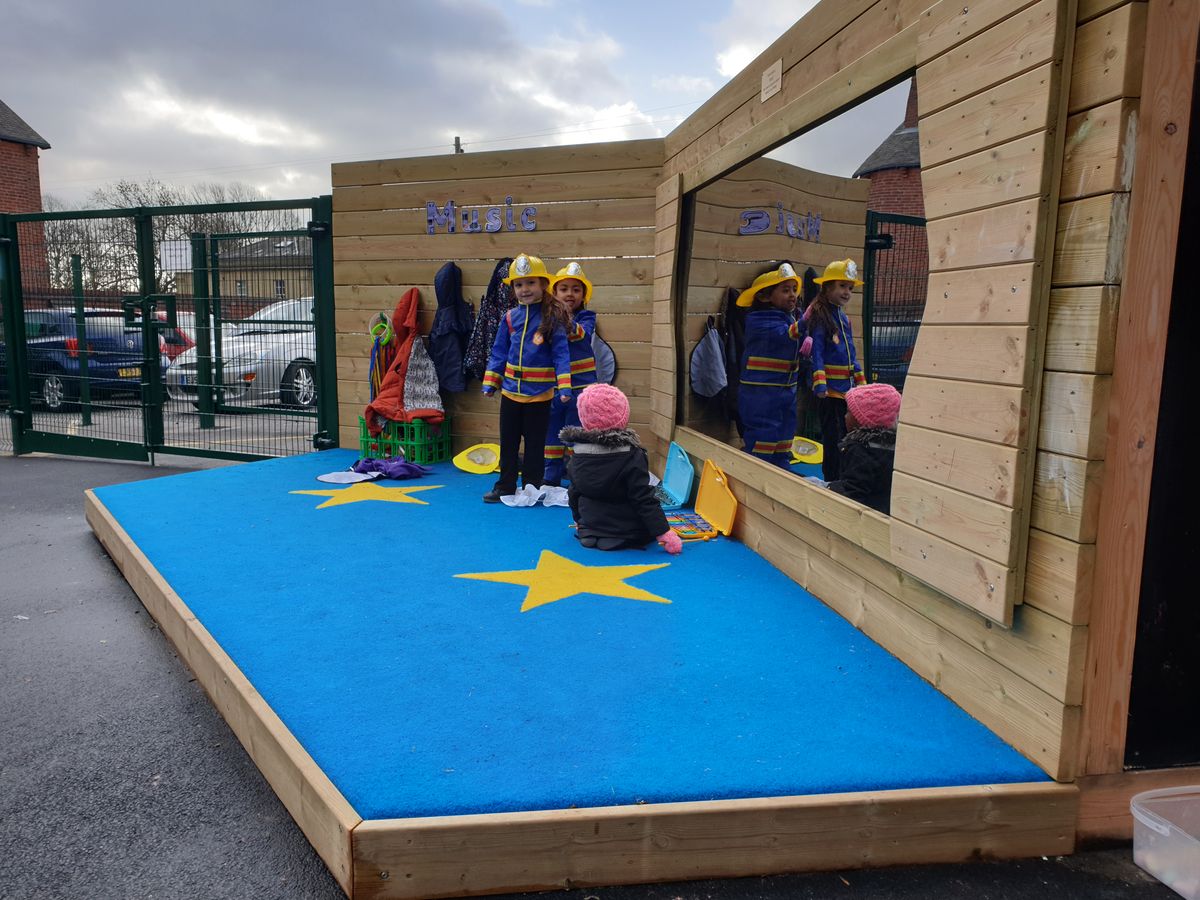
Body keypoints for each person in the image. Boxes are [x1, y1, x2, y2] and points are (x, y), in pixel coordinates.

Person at [480, 254, 573, 503]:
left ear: (543, 284)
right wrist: (491, 381)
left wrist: (564, 386)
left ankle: (532, 485)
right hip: (510, 393)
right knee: (508, 442)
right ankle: (506, 485)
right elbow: (499, 352)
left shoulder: (552, 318)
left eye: (530, 283)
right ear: (513, 289)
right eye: (519, 284)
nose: (524, 289)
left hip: (540, 395)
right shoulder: (510, 318)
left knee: (534, 444)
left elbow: (561, 354)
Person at [560, 383, 683, 554]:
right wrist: (664, 533)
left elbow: (573, 493)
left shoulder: (577, 455)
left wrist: (580, 521)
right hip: (626, 529)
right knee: (641, 516)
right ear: (621, 416)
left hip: (590, 526)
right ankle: (614, 535)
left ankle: (595, 534)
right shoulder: (631, 456)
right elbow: (643, 498)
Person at [734, 262, 811, 468]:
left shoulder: (788, 318)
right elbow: (786, 336)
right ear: (764, 296)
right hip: (761, 393)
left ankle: (782, 469)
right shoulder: (758, 320)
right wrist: (808, 319)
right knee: (763, 435)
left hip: (785, 390)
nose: (793, 295)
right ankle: (756, 473)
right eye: (785, 290)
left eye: (794, 289)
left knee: (786, 433)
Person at [808, 258, 867, 481]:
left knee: (845, 435)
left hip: (847, 390)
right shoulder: (821, 316)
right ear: (827, 287)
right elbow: (818, 352)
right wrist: (820, 382)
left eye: (850, 288)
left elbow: (851, 351)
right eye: (842, 286)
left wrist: (861, 380)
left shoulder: (843, 318)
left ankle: (842, 477)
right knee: (832, 437)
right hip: (830, 391)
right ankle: (831, 478)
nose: (847, 292)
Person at [543, 262, 598, 486]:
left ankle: (579, 478)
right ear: (554, 293)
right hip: (552, 387)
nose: (569, 294)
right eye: (564, 289)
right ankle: (550, 478)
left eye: (576, 289)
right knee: (552, 434)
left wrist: (558, 315)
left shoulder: (587, 317)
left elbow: (580, 335)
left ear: (584, 294)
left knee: (577, 434)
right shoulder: (544, 318)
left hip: (580, 389)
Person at [828, 382, 901, 515]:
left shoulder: (860, 452)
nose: (845, 417)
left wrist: (830, 488)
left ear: (863, 420)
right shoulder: (893, 448)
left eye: (849, 412)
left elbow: (852, 492)